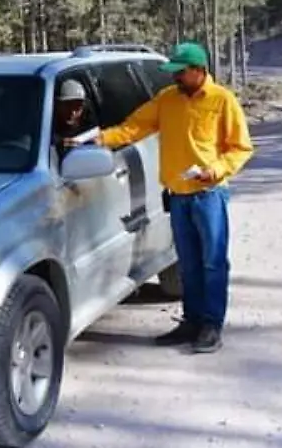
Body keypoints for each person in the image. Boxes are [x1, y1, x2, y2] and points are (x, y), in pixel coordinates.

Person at [71, 42, 254, 353]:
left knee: (212, 263)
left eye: (180, 73)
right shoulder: (167, 100)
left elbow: (240, 148)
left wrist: (215, 170)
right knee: (189, 265)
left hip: (209, 195)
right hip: (179, 198)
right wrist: (96, 140)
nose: (175, 78)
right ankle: (192, 322)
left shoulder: (223, 101)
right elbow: (133, 128)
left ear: (199, 70)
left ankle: (212, 324)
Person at [52, 79, 91, 162]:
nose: (73, 112)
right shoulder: (46, 125)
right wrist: (57, 144)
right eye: (68, 106)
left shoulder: (90, 125)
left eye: (78, 108)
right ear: (58, 104)